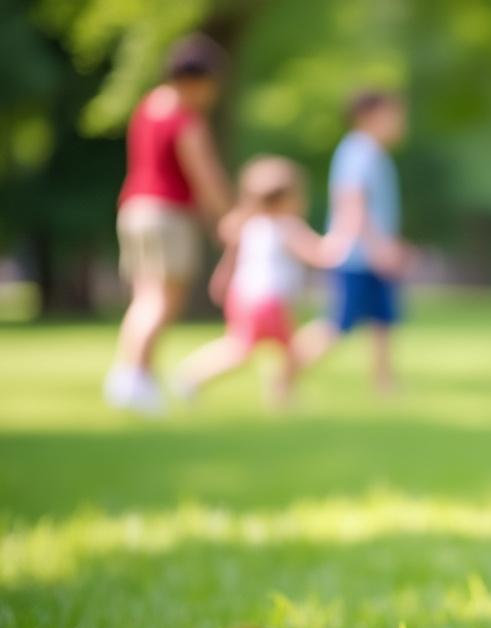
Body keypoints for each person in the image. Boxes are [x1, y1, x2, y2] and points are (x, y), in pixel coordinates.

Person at [105, 33, 232, 415]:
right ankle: (136, 379)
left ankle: (130, 374)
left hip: (133, 209)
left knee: (145, 297)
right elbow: (204, 175)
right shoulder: (185, 118)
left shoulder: (148, 107)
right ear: (198, 79)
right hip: (168, 214)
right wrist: (227, 216)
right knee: (163, 300)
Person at [174, 157, 336, 406]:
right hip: (268, 301)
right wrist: (343, 243)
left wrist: (221, 280)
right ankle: (278, 394)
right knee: (282, 351)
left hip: (243, 298)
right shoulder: (286, 226)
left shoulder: (249, 226)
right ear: (284, 199)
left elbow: (232, 260)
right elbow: (318, 253)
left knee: (244, 348)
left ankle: (194, 376)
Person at [294, 89, 410, 394]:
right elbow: (353, 201)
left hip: (371, 254)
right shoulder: (359, 151)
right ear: (369, 116)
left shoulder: (372, 152)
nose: (400, 122)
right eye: (393, 114)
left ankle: (384, 384)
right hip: (358, 256)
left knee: (384, 320)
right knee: (338, 323)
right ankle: (288, 368)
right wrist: (378, 248)